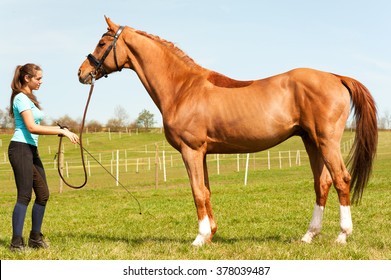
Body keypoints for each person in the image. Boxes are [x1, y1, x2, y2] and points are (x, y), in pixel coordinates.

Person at [8, 63, 79, 251]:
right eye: (38, 78)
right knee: (24, 195)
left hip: (30, 149)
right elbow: (31, 127)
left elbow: (36, 126)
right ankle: (16, 243)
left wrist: (59, 129)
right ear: (27, 78)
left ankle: (35, 238)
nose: (41, 82)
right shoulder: (20, 98)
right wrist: (60, 131)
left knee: (43, 194)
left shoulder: (30, 99)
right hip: (20, 148)